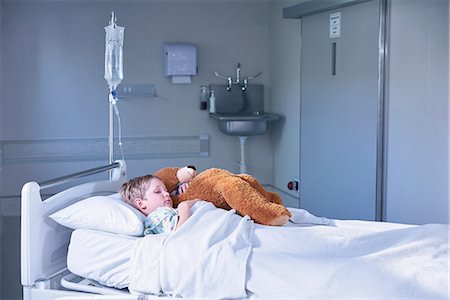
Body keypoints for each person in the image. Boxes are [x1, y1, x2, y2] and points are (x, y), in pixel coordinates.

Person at [120, 174, 198, 235]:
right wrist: (184, 208)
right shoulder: (155, 218)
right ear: (140, 203)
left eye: (166, 190)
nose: (167, 193)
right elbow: (179, 233)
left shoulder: (166, 211)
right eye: (157, 192)